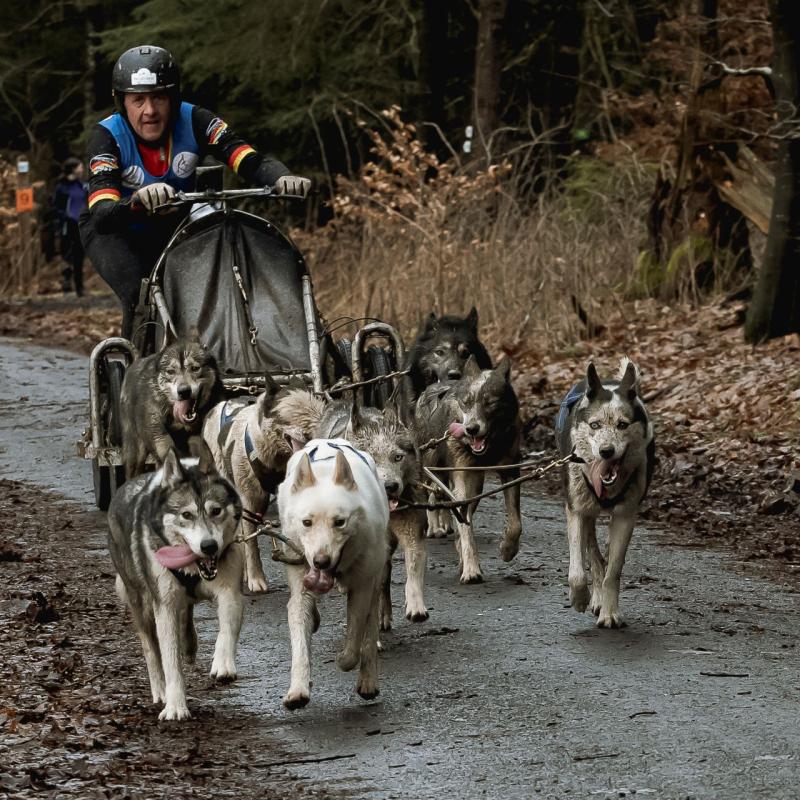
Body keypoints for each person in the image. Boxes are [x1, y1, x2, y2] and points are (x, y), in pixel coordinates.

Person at [80, 45, 311, 338]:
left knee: (207, 284)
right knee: (141, 292)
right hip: (114, 231)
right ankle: (133, 371)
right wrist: (137, 201)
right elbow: (102, 213)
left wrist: (282, 177)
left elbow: (248, 159)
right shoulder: (106, 136)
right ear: (122, 103)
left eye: (159, 98)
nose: (149, 111)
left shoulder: (197, 120)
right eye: (138, 100)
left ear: (174, 98)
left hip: (172, 224)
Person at [53, 157, 88, 297]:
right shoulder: (61, 187)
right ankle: (66, 283)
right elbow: (56, 207)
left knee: (80, 256)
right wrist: (66, 217)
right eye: (80, 167)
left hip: (81, 225)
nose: (82, 169)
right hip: (68, 226)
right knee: (67, 255)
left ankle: (80, 288)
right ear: (73, 169)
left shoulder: (83, 186)